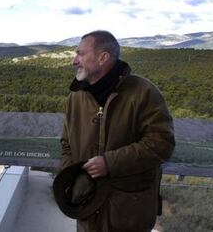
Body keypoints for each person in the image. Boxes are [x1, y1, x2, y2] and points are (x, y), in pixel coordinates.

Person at [60, 30, 175, 232]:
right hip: (86, 212)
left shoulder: (144, 92)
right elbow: (66, 143)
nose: (74, 61)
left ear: (103, 58)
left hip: (128, 215)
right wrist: (72, 178)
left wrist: (110, 163)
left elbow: (162, 144)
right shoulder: (75, 97)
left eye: (80, 54)